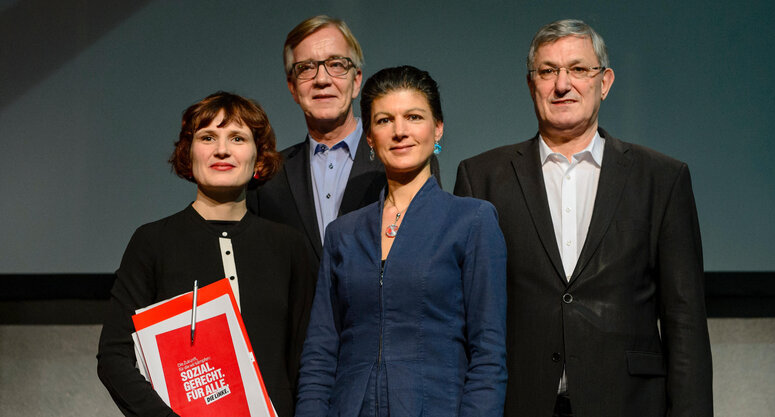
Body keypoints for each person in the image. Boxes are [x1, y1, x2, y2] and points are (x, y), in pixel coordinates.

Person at [454, 19, 713, 417]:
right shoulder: (482, 177)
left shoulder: (662, 178)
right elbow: (461, 319)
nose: (562, 84)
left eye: (578, 69)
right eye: (548, 71)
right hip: (517, 402)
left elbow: (685, 321)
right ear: (530, 85)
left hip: (630, 403)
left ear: (604, 82)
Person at [296, 66, 507, 416]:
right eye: (384, 120)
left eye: (413, 117)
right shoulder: (342, 233)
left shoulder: (472, 220)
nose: (400, 132)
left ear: (437, 127)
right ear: (369, 137)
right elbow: (321, 352)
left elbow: (488, 352)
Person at [97, 92, 315, 417]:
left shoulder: (289, 246)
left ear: (259, 158)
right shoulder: (153, 241)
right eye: (208, 137)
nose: (222, 150)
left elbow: (308, 358)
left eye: (237, 138)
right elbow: (115, 356)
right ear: (188, 154)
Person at [247, 15, 439, 271]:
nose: (322, 79)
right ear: (292, 87)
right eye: (306, 68)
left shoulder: (402, 156)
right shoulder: (269, 177)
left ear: (356, 80)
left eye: (336, 64)